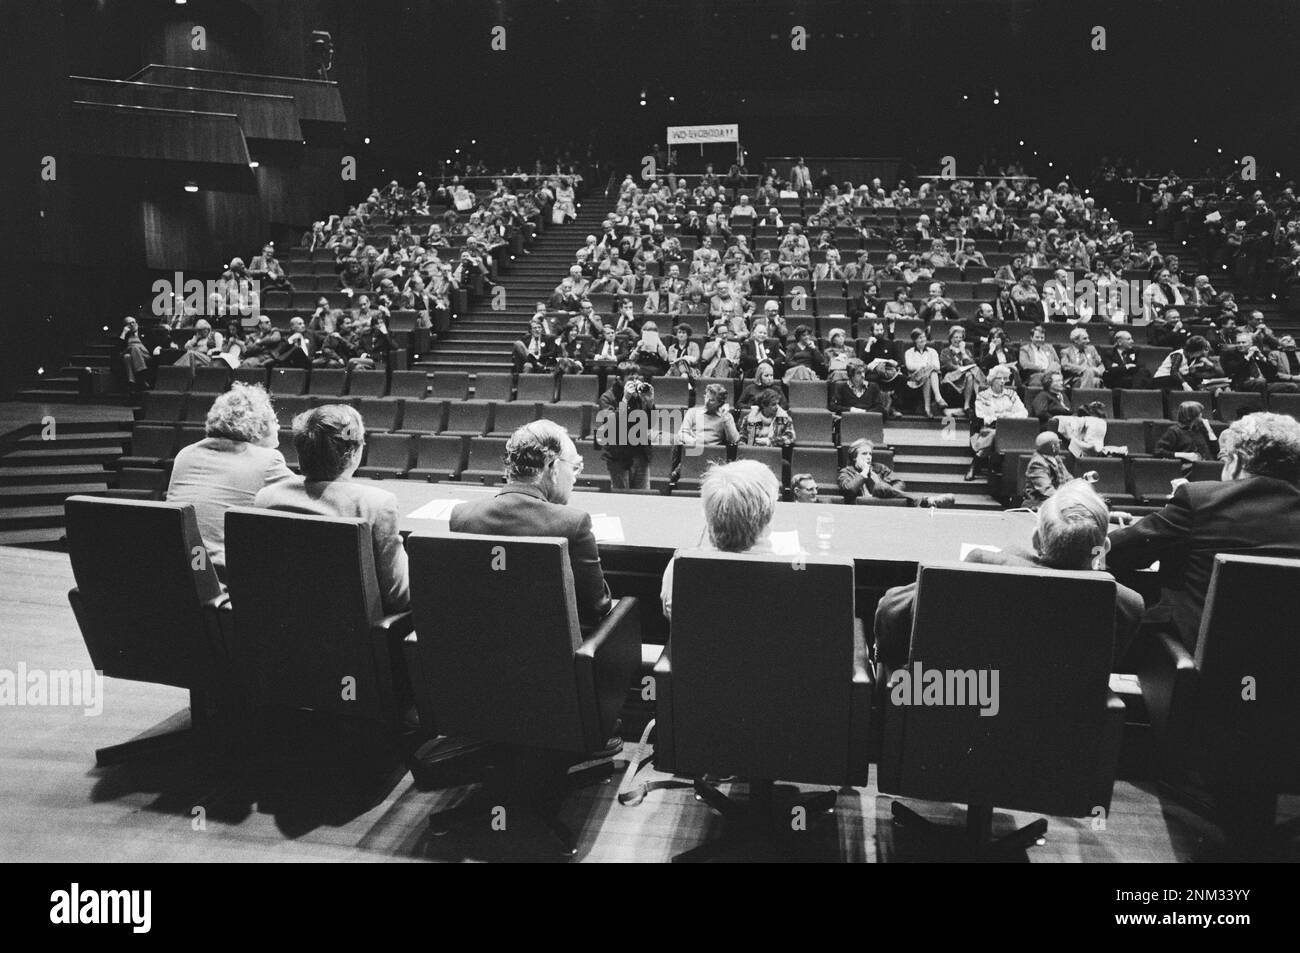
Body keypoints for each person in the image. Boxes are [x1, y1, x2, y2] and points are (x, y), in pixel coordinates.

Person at [875, 478, 1145, 669]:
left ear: (1037, 540)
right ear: (1103, 548)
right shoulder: (1127, 604)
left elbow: (890, 611)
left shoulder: (984, 564)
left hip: (962, 700)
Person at [1108, 412, 1300, 649]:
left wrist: (1094, 542)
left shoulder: (1200, 499)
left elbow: (1116, 551)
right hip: (1281, 667)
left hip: (1194, 656)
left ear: (1237, 461)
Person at [450, 419, 611, 626]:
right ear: (552, 467)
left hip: (480, 647)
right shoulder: (574, 524)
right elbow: (598, 606)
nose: (574, 478)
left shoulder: (461, 517)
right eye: (575, 467)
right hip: (552, 653)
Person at [254, 404, 408, 614]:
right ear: (354, 452)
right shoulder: (376, 504)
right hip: (358, 639)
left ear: (301, 454)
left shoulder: (266, 499)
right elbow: (399, 597)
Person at [166, 383, 293, 581]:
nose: (278, 426)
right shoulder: (268, 460)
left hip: (179, 569)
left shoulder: (186, 454)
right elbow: (307, 500)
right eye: (274, 419)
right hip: (223, 577)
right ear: (259, 426)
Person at [660, 460, 780, 621]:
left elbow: (672, 617)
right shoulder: (789, 573)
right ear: (769, 518)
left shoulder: (677, 568)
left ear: (707, 516)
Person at [838, 439, 953, 507]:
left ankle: (924, 501)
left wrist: (886, 490)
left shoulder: (879, 468)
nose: (868, 457)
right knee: (880, 486)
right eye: (864, 454)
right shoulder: (846, 472)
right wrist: (864, 473)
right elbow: (849, 490)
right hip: (861, 507)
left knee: (880, 487)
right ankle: (924, 501)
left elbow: (900, 483)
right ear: (854, 457)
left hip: (885, 503)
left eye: (870, 454)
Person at [596, 364, 656, 490]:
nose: (635, 382)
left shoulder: (639, 396)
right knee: (622, 500)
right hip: (619, 457)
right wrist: (624, 400)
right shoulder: (607, 398)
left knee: (643, 500)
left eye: (637, 378)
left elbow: (651, 424)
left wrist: (650, 404)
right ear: (619, 379)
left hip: (640, 454)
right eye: (631, 379)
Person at [969, 364, 1029, 480]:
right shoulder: (982, 396)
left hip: (1010, 427)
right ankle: (994, 471)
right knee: (995, 434)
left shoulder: (1012, 394)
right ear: (992, 380)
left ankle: (977, 460)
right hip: (989, 428)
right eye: (999, 378)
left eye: (1004, 379)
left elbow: (1023, 412)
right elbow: (981, 415)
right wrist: (998, 418)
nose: (1002, 381)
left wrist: (1009, 416)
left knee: (998, 434)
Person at [1154, 401, 1218, 473]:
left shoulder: (1201, 428)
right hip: (1190, 468)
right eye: (1199, 413)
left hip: (1209, 466)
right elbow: (1158, 451)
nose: (1201, 415)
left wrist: (1208, 428)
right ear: (1191, 416)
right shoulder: (1174, 431)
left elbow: (1216, 449)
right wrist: (1184, 455)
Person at [678, 383, 739, 449]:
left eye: (712, 400)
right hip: (694, 450)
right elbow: (682, 433)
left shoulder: (726, 417)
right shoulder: (692, 412)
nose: (707, 402)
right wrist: (694, 442)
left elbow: (734, 440)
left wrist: (725, 420)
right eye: (706, 397)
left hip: (714, 452)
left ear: (720, 403)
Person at [904, 328, 947, 417]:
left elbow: (937, 366)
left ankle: (927, 408)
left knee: (929, 374)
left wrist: (925, 368)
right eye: (920, 338)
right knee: (930, 370)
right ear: (915, 340)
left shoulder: (933, 351)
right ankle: (938, 397)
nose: (923, 339)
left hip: (930, 378)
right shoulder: (909, 352)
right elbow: (910, 366)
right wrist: (925, 366)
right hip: (915, 378)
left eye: (924, 337)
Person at [1022, 431, 1072, 508]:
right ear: (1053, 446)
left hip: (1055, 500)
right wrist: (1067, 499)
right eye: (1059, 443)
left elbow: (1068, 478)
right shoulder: (1037, 463)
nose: (1060, 445)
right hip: (1038, 503)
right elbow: (1047, 490)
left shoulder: (1056, 458)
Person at [1018, 324, 1061, 389]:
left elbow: (1057, 362)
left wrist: (1050, 371)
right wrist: (1042, 369)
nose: (1040, 339)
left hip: (1051, 374)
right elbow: (1025, 364)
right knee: (1039, 378)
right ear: (1031, 337)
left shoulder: (1049, 347)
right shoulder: (1025, 349)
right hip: (1035, 374)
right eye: (1037, 337)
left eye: (1042, 337)